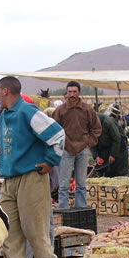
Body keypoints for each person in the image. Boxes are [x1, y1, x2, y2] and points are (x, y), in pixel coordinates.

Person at [0, 75, 67, 258]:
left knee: (34, 228)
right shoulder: (6, 115)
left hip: (30, 176)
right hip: (9, 178)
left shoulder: (27, 111)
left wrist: (50, 162)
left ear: (6, 91)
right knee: (8, 228)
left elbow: (57, 134)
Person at [52, 81, 101, 209]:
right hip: (66, 150)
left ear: (79, 92)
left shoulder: (87, 109)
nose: (72, 94)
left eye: (74, 92)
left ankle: (81, 208)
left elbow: (96, 128)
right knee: (64, 184)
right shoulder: (60, 110)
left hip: (83, 150)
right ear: (66, 93)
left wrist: (88, 143)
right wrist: (62, 144)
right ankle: (63, 208)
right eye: (69, 92)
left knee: (81, 183)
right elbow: (54, 130)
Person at [93, 110, 129, 177]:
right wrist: (96, 156)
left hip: (119, 148)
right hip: (105, 149)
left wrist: (113, 154)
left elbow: (117, 138)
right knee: (107, 173)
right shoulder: (89, 125)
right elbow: (91, 142)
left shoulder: (108, 122)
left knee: (120, 174)